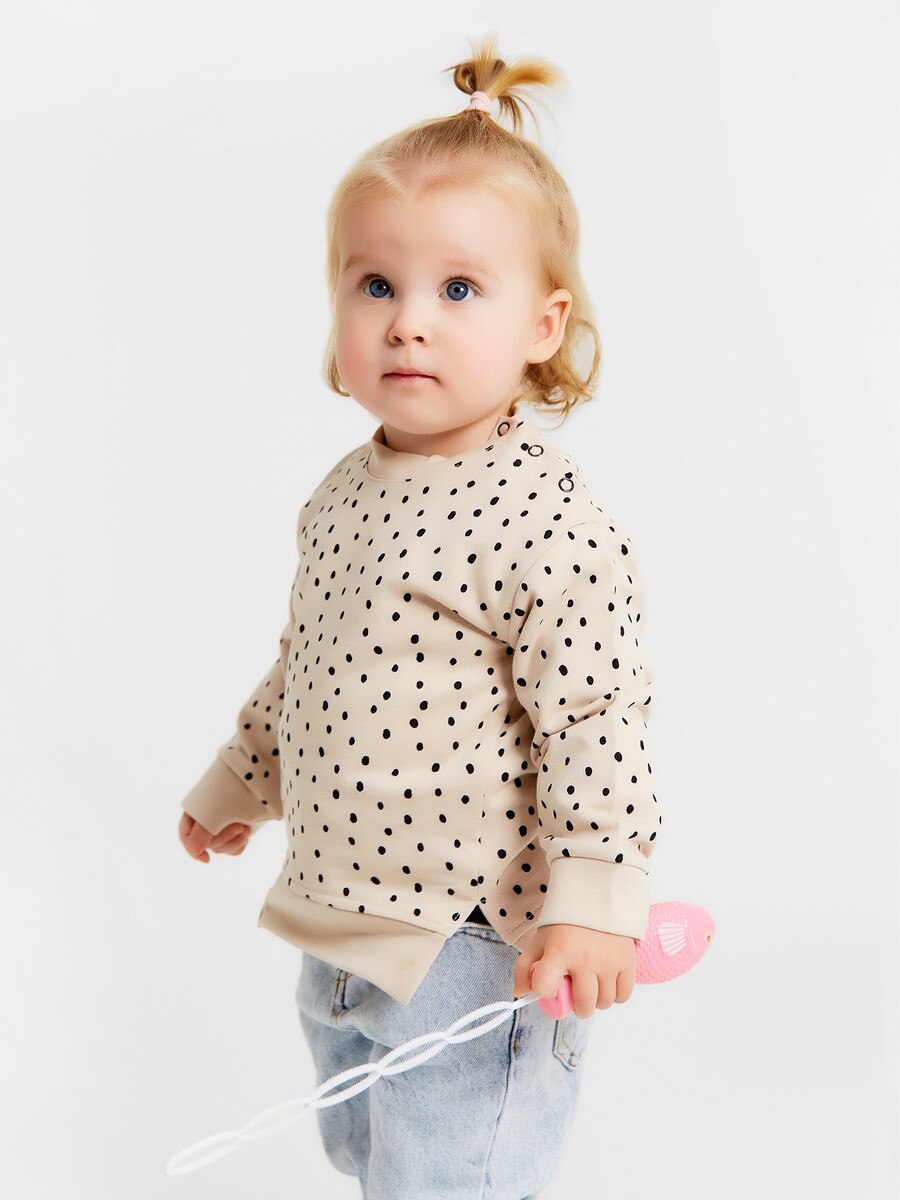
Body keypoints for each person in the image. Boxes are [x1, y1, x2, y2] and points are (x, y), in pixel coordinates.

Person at [178, 34, 662, 1199]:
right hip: (339, 919)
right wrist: (240, 778)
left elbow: (596, 715)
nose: (407, 323)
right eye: (375, 286)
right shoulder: (342, 494)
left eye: (458, 290)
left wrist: (598, 899)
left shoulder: (543, 516)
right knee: (367, 1158)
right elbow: (308, 666)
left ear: (542, 326)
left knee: (450, 1180)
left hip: (475, 945)